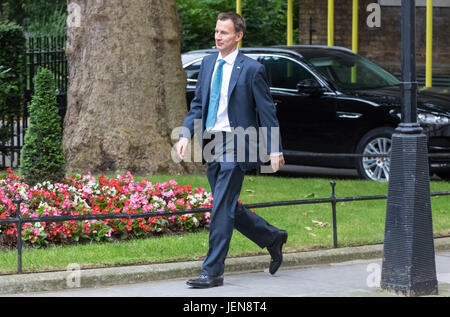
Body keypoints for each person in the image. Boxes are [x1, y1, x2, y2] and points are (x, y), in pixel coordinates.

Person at [176, 12, 287, 289]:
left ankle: (212, 271)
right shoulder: (208, 63)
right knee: (225, 205)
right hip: (212, 140)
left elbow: (267, 112)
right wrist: (185, 134)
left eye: (223, 32)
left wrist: (274, 149)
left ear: (238, 36)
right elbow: (199, 104)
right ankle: (272, 237)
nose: (217, 36)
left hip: (239, 140)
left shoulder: (252, 69)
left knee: (221, 207)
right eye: (216, 31)